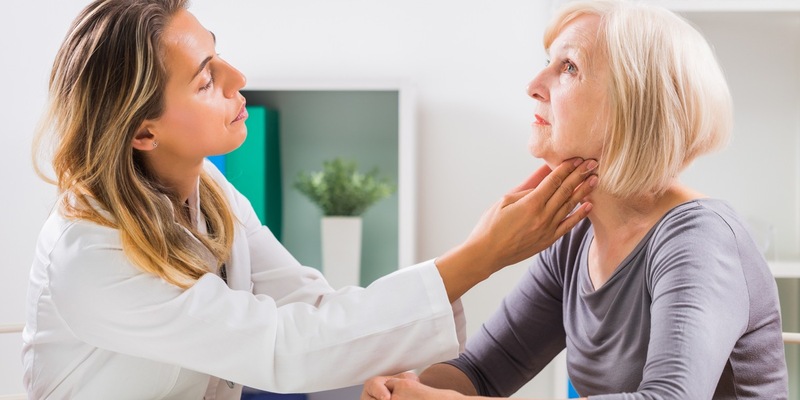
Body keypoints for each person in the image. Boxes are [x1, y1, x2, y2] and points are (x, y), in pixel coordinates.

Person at [22, 0, 599, 399]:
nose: (237, 76)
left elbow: (313, 309)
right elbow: (281, 348)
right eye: (204, 80)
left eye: (218, 54)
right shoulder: (91, 253)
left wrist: (390, 372)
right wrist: (482, 255)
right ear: (143, 132)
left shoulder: (211, 192)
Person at [362, 1, 789, 399]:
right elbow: (482, 371)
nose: (533, 86)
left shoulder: (699, 239)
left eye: (569, 67)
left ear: (633, 104)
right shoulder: (577, 237)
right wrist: (404, 389)